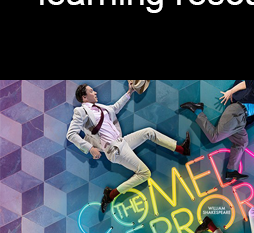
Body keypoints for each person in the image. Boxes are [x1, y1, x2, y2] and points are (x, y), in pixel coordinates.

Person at [66, 81, 190, 212]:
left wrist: (129, 92)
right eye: (91, 91)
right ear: (84, 97)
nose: (95, 92)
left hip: (121, 141)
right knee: (145, 173)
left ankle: (182, 149)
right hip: (114, 149)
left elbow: (114, 108)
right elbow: (71, 134)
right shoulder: (80, 111)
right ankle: (111, 195)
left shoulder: (100, 107)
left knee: (149, 132)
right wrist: (90, 148)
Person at [181, 80, 254, 181]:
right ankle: (197, 110)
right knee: (214, 137)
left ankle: (231, 170)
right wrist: (230, 92)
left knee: (242, 142)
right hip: (237, 111)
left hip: (241, 121)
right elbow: (247, 83)